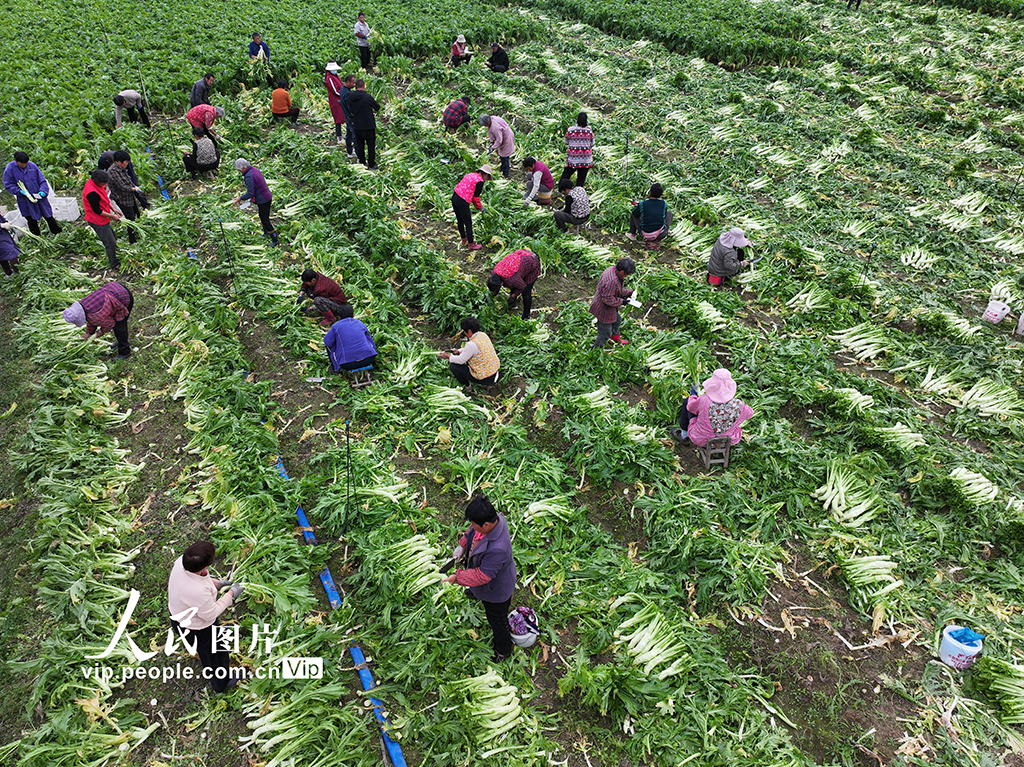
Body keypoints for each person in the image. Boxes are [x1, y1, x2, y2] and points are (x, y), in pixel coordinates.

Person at [167, 541, 244, 693]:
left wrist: (217, 583)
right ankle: (221, 683)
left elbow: (198, 577)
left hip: (178, 614)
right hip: (196, 629)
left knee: (214, 641)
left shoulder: (181, 562)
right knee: (213, 654)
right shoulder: (196, 592)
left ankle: (216, 636)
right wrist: (231, 594)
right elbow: (211, 613)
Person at [446, 496, 516, 662]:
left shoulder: (498, 548)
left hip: (496, 590)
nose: (471, 525)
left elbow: (482, 575)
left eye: (474, 523)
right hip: (484, 583)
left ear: (485, 525)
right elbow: (472, 531)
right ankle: (476, 592)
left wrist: (457, 577)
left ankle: (504, 649)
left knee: (497, 619)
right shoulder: (493, 519)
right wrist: (462, 545)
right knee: (477, 589)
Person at [674, 369, 754, 447]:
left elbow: (691, 407)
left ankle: (684, 435)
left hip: (701, 438)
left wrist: (693, 394)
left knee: (688, 402)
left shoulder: (704, 400)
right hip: (727, 439)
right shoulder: (738, 404)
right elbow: (750, 413)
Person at [62, 281, 134, 358]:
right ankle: (119, 343)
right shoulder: (83, 304)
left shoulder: (95, 316)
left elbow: (110, 323)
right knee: (117, 326)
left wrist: (100, 332)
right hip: (116, 288)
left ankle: (124, 351)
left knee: (119, 327)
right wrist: (89, 333)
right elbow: (91, 321)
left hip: (124, 298)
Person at [3, 152, 62, 236]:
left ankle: (56, 231)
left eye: (26, 163)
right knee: (30, 219)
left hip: (38, 196)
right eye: (22, 164)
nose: (25, 165)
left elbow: (42, 180)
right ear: (16, 161)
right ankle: (36, 236)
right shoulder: (10, 169)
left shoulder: (32, 166)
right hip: (25, 199)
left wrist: (43, 191)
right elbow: (8, 185)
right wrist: (19, 191)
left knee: (48, 215)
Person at [438, 316, 500, 388]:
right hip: (494, 372)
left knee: (454, 366)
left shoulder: (471, 345)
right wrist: (458, 351)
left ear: (469, 331)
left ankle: (467, 386)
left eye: (465, 331)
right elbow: (472, 350)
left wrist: (448, 357)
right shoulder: (483, 335)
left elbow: (461, 360)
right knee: (467, 359)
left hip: (486, 378)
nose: (464, 333)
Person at [590, 257, 636, 349]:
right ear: (622, 272)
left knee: (617, 320)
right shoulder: (612, 281)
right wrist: (622, 302)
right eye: (628, 274)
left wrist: (630, 292)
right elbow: (607, 299)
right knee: (605, 333)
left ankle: (615, 339)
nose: (628, 276)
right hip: (603, 309)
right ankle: (596, 349)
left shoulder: (612, 269)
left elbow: (617, 290)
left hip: (607, 306)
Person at [82, 170, 122, 270]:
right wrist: (112, 216)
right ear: (97, 181)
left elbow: (104, 199)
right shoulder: (91, 192)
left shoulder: (96, 184)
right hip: (97, 220)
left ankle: (115, 252)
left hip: (103, 218)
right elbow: (97, 210)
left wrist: (113, 209)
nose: (105, 185)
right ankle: (114, 263)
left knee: (112, 236)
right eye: (104, 183)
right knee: (110, 243)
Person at [231, 159, 277, 247]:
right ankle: (266, 233)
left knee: (265, 220)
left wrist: (240, 198)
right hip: (266, 196)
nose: (239, 171)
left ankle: (274, 239)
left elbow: (250, 193)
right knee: (262, 216)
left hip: (263, 199)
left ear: (243, 168)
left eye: (239, 169)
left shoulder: (249, 176)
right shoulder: (254, 169)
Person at [487, 249, 540, 320]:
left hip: (532, 261)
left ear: (501, 283)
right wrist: (490, 298)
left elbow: (522, 287)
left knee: (526, 292)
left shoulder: (511, 279)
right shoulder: (494, 273)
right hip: (519, 260)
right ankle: (512, 304)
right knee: (514, 284)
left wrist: (513, 296)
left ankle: (526, 316)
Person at [324, 304, 377, 372]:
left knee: (330, 345)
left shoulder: (336, 326)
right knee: (367, 337)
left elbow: (327, 342)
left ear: (339, 317)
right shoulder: (359, 323)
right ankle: (371, 354)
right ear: (353, 315)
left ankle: (334, 368)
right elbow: (369, 337)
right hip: (369, 359)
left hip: (347, 364)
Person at [452, 164, 492, 250]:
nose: (486, 179)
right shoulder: (480, 181)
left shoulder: (470, 175)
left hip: (455, 197)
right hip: (463, 201)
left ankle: (464, 238)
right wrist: (480, 208)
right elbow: (476, 197)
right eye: (487, 177)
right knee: (468, 223)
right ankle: (471, 244)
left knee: (460, 220)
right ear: (485, 174)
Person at [107, 151, 142, 246]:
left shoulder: (121, 168)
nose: (126, 164)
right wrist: (133, 189)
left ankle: (137, 231)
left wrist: (134, 186)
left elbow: (128, 180)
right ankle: (132, 241)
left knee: (136, 213)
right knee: (130, 219)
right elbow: (122, 186)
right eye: (125, 162)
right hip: (122, 199)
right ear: (118, 161)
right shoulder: (113, 172)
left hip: (129, 196)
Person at [348, 80, 380, 169]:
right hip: (368, 125)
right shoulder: (367, 97)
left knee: (360, 145)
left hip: (357, 125)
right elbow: (377, 107)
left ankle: (362, 161)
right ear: (363, 86)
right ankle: (371, 164)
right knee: (371, 145)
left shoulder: (351, 97)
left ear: (355, 87)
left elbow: (351, 110)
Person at [561, 112, 594, 187]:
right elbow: (592, 143)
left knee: (566, 174)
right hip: (585, 159)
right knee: (581, 178)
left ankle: (561, 189)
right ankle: (578, 191)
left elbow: (566, 142)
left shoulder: (571, 130)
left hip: (573, 158)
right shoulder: (589, 130)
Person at [479, 114, 515, 178]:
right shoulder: (491, 119)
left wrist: (493, 148)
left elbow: (499, 140)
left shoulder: (495, 127)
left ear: (488, 122)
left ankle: (505, 173)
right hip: (504, 136)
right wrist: (491, 142)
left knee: (504, 156)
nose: (485, 126)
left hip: (507, 138)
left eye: (485, 125)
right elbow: (491, 133)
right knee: (502, 156)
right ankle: (502, 169)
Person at [325, 63, 346, 144]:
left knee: (341, 117)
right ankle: (339, 137)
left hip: (339, 99)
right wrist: (344, 94)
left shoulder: (335, 75)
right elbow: (335, 91)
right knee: (338, 119)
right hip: (335, 100)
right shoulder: (329, 78)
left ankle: (340, 135)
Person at [339, 74, 357, 159]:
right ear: (348, 82)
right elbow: (349, 106)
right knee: (355, 136)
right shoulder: (348, 94)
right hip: (350, 117)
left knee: (348, 135)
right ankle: (358, 154)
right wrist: (353, 113)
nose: (354, 85)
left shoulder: (342, 89)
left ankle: (349, 152)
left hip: (346, 116)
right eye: (353, 83)